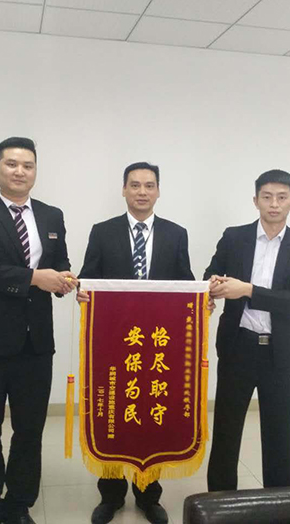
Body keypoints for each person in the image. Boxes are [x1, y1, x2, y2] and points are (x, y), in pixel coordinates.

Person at [0, 137, 78, 524]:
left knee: (29, 430)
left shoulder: (51, 215)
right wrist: (34, 278)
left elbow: (59, 263)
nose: (20, 171)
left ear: (35, 171)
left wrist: (65, 282)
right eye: (11, 164)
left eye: (27, 165)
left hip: (36, 344)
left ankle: (20, 501)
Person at [77, 162, 194, 524]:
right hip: (114, 344)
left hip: (158, 346)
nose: (142, 192)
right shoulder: (103, 232)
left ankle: (148, 496)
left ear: (158, 191)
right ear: (124, 190)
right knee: (113, 412)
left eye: (149, 185)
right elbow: (88, 277)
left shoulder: (176, 234)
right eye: (135, 185)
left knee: (152, 413)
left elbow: (185, 282)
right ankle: (110, 496)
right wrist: (82, 291)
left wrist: (202, 299)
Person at [205, 169, 290, 492]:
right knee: (226, 430)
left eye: (282, 197)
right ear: (255, 200)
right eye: (267, 197)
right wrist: (211, 287)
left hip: (278, 353)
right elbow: (212, 273)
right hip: (237, 346)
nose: (274, 204)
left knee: (279, 433)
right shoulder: (234, 237)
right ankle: (221, 501)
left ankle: (280, 503)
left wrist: (248, 290)